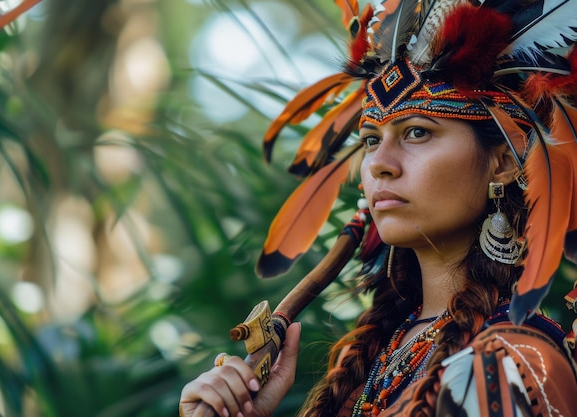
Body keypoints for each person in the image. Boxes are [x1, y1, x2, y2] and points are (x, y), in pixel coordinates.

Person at [180, 0, 577, 416]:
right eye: (371, 140)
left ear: (502, 163)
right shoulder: (369, 361)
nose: (379, 165)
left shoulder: (507, 362)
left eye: (418, 132)